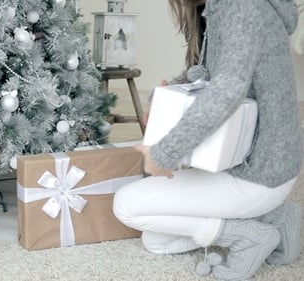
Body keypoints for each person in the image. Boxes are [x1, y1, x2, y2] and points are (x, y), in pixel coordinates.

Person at [113, 0, 302, 280]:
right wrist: (168, 96)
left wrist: (163, 154)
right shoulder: (225, 7)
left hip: (259, 172)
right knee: (157, 241)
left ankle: (249, 236)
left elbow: (228, 89)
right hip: (255, 164)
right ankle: (272, 215)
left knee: (126, 205)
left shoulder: (241, 9)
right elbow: (214, 77)